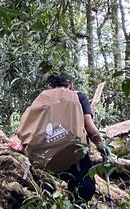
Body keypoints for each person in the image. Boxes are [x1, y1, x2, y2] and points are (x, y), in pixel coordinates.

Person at [43, 73, 107, 201]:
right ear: (70, 85)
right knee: (85, 188)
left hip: (49, 154)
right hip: (75, 152)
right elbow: (89, 127)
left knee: (66, 186)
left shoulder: (45, 102)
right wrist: (102, 147)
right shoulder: (77, 97)